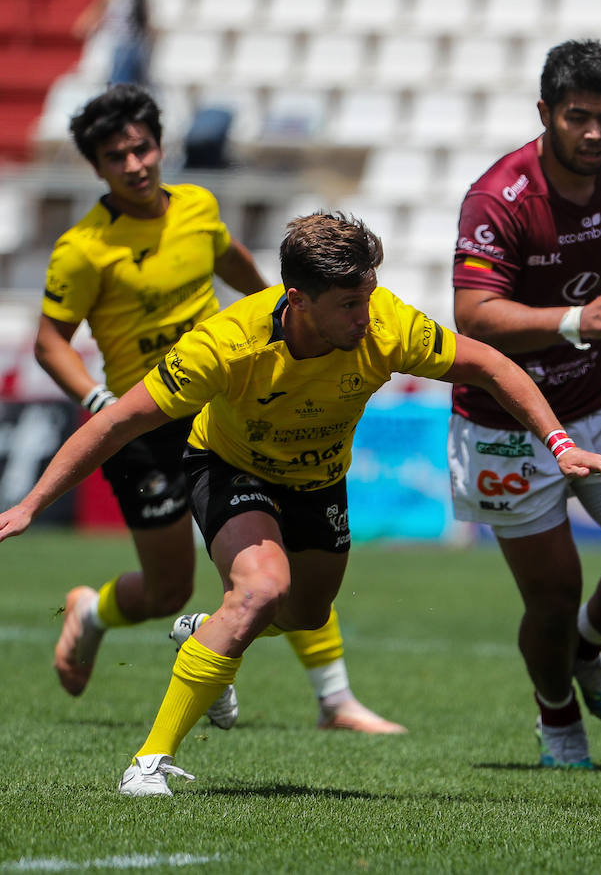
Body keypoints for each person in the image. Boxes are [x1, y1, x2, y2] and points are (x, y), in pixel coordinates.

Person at [0, 211, 601, 797]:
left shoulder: (387, 326)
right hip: (228, 467)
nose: (365, 313)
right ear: (297, 300)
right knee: (260, 590)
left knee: (303, 614)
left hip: (319, 481)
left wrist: (560, 443)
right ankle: (148, 763)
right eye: (350, 302)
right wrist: (30, 504)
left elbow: (490, 364)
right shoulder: (224, 346)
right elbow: (115, 426)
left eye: (369, 294)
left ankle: (212, 636)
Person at [38, 84, 402, 734]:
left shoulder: (199, 208)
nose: (135, 165)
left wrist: (293, 325)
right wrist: (97, 399)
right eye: (116, 156)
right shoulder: (83, 249)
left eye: (143, 148)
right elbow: (48, 343)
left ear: (160, 146)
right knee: (167, 591)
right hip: (146, 421)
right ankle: (91, 612)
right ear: (96, 168)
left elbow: (241, 270)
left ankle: (335, 699)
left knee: (292, 540)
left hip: (222, 395)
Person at [448, 40, 601, 769]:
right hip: (505, 423)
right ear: (545, 114)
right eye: (578, 117)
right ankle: (556, 715)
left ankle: (588, 649)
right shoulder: (500, 198)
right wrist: (571, 319)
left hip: (599, 403)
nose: (594, 134)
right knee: (552, 595)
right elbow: (473, 315)